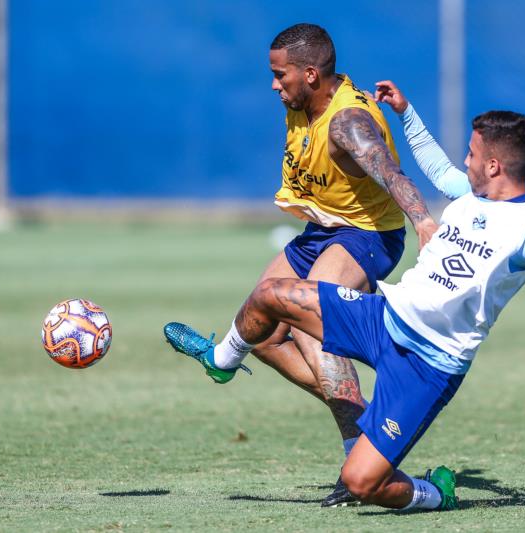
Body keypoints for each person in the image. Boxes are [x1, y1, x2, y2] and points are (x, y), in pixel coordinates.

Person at [164, 99, 525, 510]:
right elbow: (432, 165)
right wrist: (406, 114)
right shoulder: (470, 194)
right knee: (270, 296)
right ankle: (221, 359)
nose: (465, 163)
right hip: (382, 317)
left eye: (472, 155)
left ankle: (434, 494)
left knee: (361, 482)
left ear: (494, 166)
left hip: (428, 366)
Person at [165, 24, 439, 507]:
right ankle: (229, 362)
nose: (274, 84)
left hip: (367, 235)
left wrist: (423, 222)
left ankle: (358, 452)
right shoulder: (302, 101)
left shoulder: (347, 122)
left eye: (280, 75)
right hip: (322, 231)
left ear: (311, 74)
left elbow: (389, 171)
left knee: (318, 327)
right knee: (264, 329)